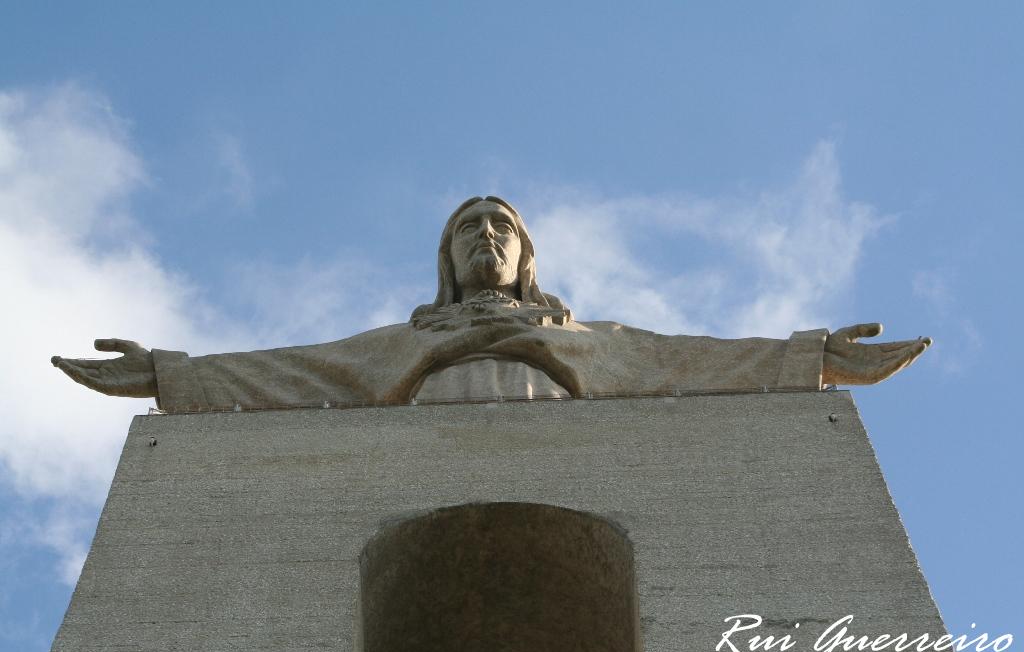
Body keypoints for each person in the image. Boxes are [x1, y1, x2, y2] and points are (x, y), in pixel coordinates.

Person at [52, 196, 930, 412]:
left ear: (525, 256)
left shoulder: (584, 337)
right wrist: (167, 372)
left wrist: (807, 355)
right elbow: (293, 370)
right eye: (467, 227)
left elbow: (680, 359)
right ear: (447, 259)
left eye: (500, 226)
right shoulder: (399, 342)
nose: (484, 236)